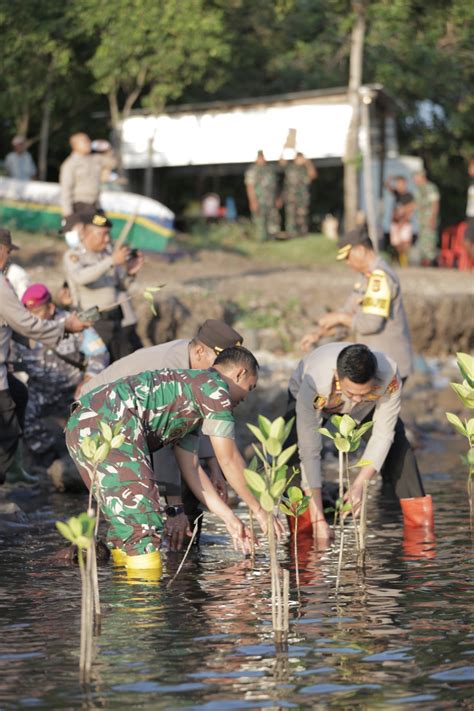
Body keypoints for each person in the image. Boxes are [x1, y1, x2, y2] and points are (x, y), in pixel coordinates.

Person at [65, 347, 284, 574]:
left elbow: (191, 467)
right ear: (239, 373)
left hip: (82, 424)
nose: (247, 396)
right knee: (144, 527)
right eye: (251, 386)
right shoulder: (215, 388)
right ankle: (144, 603)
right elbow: (228, 459)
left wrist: (229, 518)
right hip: (108, 420)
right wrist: (259, 510)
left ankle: (126, 599)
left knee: (126, 528)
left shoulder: (193, 392)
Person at [81, 319, 244, 549]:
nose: (222, 379)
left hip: (137, 423)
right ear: (199, 351)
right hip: (102, 417)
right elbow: (166, 443)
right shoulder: (173, 367)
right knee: (140, 504)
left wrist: (214, 466)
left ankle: (184, 549)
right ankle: (160, 544)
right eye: (220, 368)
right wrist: (173, 507)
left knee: (193, 479)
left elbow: (198, 421)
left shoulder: (196, 368)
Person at [289, 342, 431, 542]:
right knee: (292, 456)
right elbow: (309, 449)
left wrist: (359, 484)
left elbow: (383, 434)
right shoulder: (316, 381)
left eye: (362, 394)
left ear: (374, 381)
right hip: (319, 401)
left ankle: (421, 533)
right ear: (337, 376)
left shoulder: (389, 377)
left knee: (399, 449)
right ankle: (303, 532)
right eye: (351, 393)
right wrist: (319, 518)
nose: (355, 400)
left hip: (367, 410)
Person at [0, 229, 89, 484]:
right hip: (26, 387)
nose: (8, 260)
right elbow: (25, 324)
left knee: (19, 395)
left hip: (68, 392)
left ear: (51, 306)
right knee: (7, 433)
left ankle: (14, 472)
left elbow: (96, 354)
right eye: (7, 253)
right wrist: (65, 327)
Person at [9, 283, 109, 474]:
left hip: (74, 389)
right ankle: (48, 461)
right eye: (27, 311)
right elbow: (9, 360)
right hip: (40, 390)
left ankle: (85, 462)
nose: (31, 316)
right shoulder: (23, 329)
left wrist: (89, 378)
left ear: (51, 307)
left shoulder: (72, 323)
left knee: (90, 421)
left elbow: (99, 353)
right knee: (23, 415)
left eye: (36, 311)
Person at [300, 226, 413, 382]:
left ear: (360, 250)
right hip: (375, 363)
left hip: (388, 366)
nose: (347, 263)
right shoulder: (364, 277)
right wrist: (319, 333)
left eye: (348, 257)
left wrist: (339, 317)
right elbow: (349, 311)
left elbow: (370, 324)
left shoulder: (379, 278)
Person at [63, 211, 143, 362]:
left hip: (115, 321)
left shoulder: (107, 255)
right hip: (92, 322)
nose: (107, 239)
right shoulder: (74, 255)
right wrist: (111, 261)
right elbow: (81, 277)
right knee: (98, 368)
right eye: (102, 234)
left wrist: (131, 272)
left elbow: (122, 285)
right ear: (86, 233)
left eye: (108, 235)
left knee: (125, 366)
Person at [59, 133, 116, 217]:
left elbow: (113, 163)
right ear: (75, 145)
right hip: (80, 206)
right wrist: (68, 213)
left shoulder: (95, 159)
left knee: (105, 225)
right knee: (97, 227)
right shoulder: (70, 164)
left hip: (95, 204)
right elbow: (66, 190)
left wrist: (107, 149)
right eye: (85, 141)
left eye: (89, 141)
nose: (89, 143)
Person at [244, 151, 280, 241]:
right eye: (260, 158)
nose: (261, 160)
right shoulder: (253, 171)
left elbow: (275, 186)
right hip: (259, 201)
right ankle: (260, 240)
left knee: (272, 221)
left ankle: (272, 239)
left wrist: (277, 198)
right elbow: (250, 187)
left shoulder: (270, 169)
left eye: (263, 157)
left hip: (270, 201)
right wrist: (253, 202)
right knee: (259, 221)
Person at [281, 151, 317, 237]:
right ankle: (291, 234)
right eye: (298, 158)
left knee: (302, 217)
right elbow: (281, 162)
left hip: (302, 198)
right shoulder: (290, 167)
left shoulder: (305, 169)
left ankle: (302, 234)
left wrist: (308, 162)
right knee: (291, 217)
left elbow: (313, 175)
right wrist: (286, 147)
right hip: (291, 197)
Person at [385, 175, 415, 266]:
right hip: (395, 222)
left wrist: (403, 222)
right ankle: (400, 258)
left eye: (400, 184)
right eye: (397, 184)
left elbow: (410, 210)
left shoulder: (408, 196)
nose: (398, 186)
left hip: (404, 222)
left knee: (405, 242)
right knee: (396, 243)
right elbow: (387, 186)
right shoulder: (397, 194)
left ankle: (404, 260)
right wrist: (390, 179)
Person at [413, 171, 440, 266]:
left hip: (429, 219)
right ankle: (425, 262)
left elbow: (435, 204)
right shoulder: (419, 189)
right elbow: (416, 205)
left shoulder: (430, 188)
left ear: (422, 177)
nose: (414, 180)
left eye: (416, 178)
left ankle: (433, 263)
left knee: (430, 242)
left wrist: (432, 219)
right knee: (423, 242)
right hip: (421, 220)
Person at [464, 158, 474, 261]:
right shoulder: (471, 183)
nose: (469, 170)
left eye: (471, 167)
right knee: (466, 242)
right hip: (471, 216)